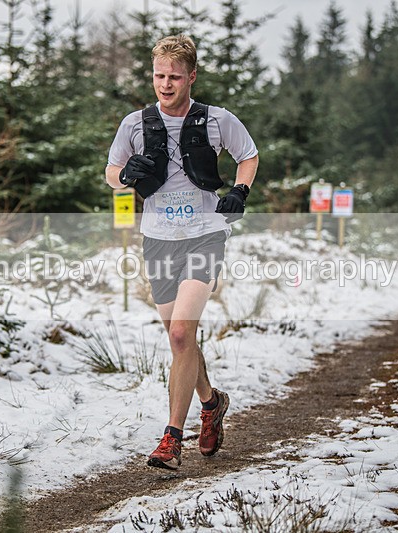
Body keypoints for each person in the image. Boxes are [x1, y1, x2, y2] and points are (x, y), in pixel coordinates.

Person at [106, 34, 259, 470]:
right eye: (159, 75)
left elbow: (248, 156)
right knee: (182, 339)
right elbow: (111, 171)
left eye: (175, 76)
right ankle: (211, 403)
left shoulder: (217, 119)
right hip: (158, 237)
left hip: (205, 233)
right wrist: (123, 176)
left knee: (178, 334)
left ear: (191, 76)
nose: (166, 84)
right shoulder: (135, 124)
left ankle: (172, 439)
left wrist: (240, 191)